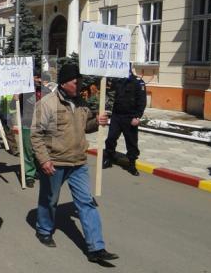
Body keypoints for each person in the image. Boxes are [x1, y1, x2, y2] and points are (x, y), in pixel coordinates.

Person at [31, 64, 118, 264]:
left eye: (79, 81)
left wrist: (97, 121)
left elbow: (85, 127)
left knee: (86, 203)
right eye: (75, 81)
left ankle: (96, 248)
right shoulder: (48, 104)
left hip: (78, 162)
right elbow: (36, 135)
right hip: (55, 162)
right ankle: (44, 230)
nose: (79, 84)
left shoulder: (81, 103)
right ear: (64, 83)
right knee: (50, 200)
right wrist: (44, 160)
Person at [103, 65, 147, 176]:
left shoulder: (138, 82)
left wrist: (137, 117)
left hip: (130, 117)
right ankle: (109, 158)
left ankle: (132, 164)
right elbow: (108, 89)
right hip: (117, 116)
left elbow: (142, 101)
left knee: (131, 142)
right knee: (111, 138)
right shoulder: (118, 80)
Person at [16, 70, 51, 188]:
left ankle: (38, 169)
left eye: (40, 78)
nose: (38, 80)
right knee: (28, 150)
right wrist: (17, 97)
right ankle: (28, 175)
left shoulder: (47, 92)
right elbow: (12, 106)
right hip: (27, 124)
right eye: (35, 78)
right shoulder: (24, 91)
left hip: (42, 125)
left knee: (40, 148)